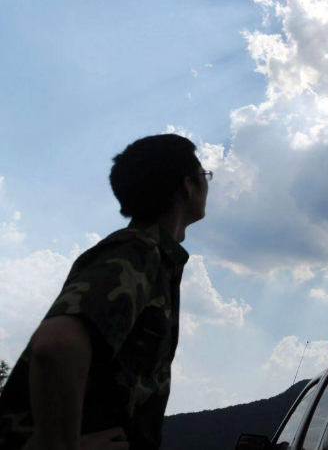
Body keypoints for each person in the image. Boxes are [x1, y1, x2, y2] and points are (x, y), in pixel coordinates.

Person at [0, 134, 210, 450]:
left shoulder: (151, 257)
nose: (208, 184)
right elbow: (56, 345)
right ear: (187, 186)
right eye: (205, 175)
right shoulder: (135, 251)